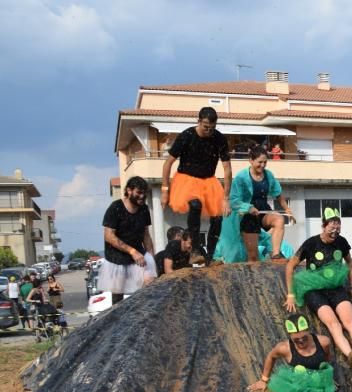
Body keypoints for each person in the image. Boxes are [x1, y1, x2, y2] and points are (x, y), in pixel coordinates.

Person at [284, 207, 352, 373]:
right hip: (314, 290)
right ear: (324, 226)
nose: (335, 231)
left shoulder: (341, 242)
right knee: (333, 324)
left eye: (338, 227)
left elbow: (350, 265)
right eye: (332, 227)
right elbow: (290, 266)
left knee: (351, 322)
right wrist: (290, 294)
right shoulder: (311, 243)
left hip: (335, 288)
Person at [160, 106, 232, 256]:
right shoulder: (187, 136)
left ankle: (210, 256)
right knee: (195, 204)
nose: (209, 131)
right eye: (206, 127)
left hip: (209, 181)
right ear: (198, 121)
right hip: (186, 180)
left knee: (218, 217)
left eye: (212, 128)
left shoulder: (219, 138)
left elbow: (227, 169)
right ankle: (195, 250)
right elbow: (168, 163)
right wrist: (165, 190)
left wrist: (226, 198)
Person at [214, 144, 293, 263]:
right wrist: (248, 207)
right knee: (253, 256)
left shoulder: (269, 175)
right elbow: (234, 200)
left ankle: (276, 255)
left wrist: (287, 209)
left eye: (265, 162)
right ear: (251, 160)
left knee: (279, 219)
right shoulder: (241, 177)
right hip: (247, 216)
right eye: (260, 162)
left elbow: (278, 193)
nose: (262, 165)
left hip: (262, 210)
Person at [99, 176, 156, 304]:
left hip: (138, 253)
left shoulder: (144, 209)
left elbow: (146, 235)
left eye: (144, 193)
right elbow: (108, 236)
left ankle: (145, 314)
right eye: (139, 193)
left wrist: (151, 257)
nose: (142, 196)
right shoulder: (116, 208)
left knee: (149, 284)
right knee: (118, 294)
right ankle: (117, 318)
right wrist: (131, 251)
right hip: (117, 257)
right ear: (129, 191)